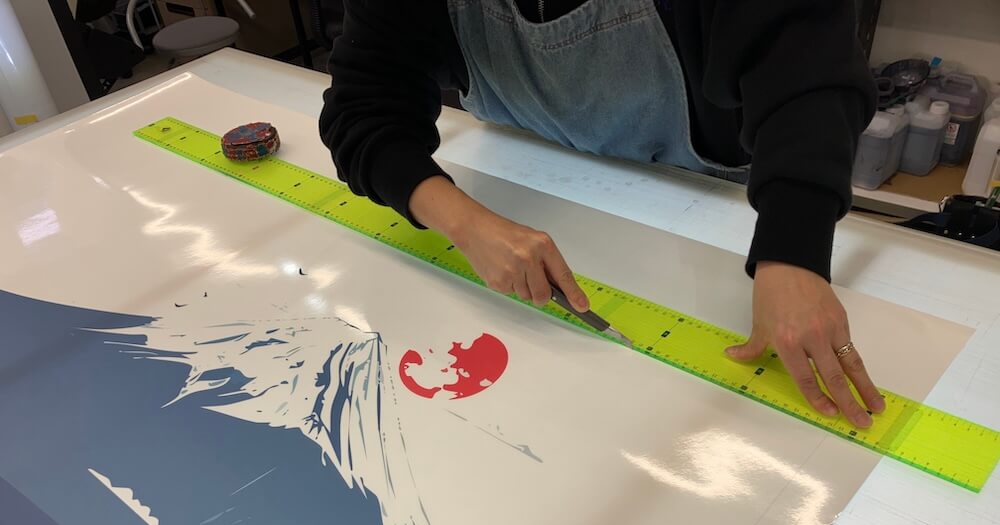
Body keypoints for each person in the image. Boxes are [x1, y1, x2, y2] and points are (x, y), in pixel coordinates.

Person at [319, 0, 885, 428]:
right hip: (524, 178)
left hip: (701, 203)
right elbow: (362, 106)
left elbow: (809, 74)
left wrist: (793, 252)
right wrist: (465, 224)